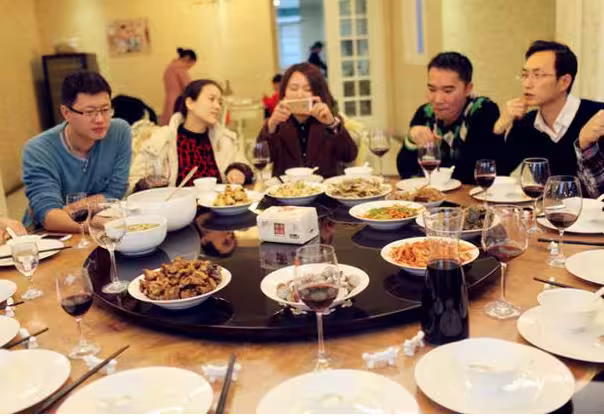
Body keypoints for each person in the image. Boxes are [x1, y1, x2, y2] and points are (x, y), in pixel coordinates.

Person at [22, 71, 131, 232]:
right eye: (89, 112)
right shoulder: (38, 149)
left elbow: (116, 191)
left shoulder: (119, 131)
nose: (100, 119)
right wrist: (94, 227)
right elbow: (48, 214)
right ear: (66, 113)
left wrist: (72, 208)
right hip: (49, 234)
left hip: (98, 224)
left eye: (105, 109)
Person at [495, 40, 604, 181]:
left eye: (538, 75)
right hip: (544, 197)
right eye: (525, 75)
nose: (527, 84)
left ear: (564, 82)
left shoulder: (597, 117)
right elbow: (496, 173)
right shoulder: (527, 123)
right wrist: (500, 127)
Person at [396, 52, 503, 184]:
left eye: (447, 91)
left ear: (468, 89)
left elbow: (473, 173)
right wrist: (411, 140)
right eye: (432, 89)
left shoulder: (483, 110)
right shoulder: (425, 113)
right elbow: (405, 171)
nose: (438, 100)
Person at [130, 79, 253, 192]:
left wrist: (238, 171)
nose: (217, 107)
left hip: (218, 205)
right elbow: (133, 182)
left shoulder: (224, 139)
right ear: (190, 103)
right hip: (176, 207)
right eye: (211, 99)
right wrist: (148, 184)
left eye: (220, 102)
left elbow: (246, 167)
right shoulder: (161, 139)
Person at [256, 62, 358, 178]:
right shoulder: (277, 123)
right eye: (294, 88)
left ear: (318, 93)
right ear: (284, 92)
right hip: (286, 188)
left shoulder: (329, 120)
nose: (300, 95)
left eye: (308, 89)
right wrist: (271, 125)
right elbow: (261, 158)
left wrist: (331, 123)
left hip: (325, 187)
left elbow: (349, 156)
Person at [160, 48, 197, 126]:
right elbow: (188, 87)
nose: (189, 67)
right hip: (178, 101)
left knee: (169, 124)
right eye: (191, 65)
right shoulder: (180, 69)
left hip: (169, 100)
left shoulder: (170, 67)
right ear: (188, 59)